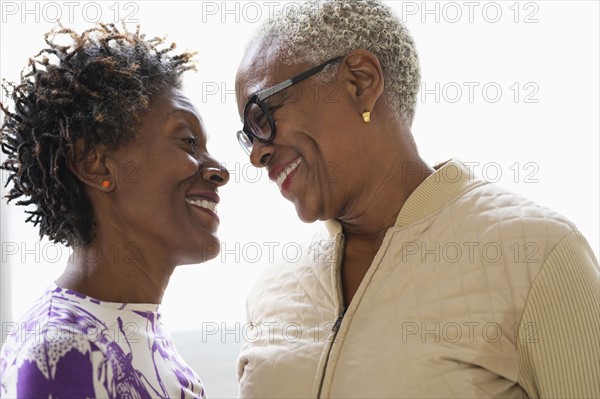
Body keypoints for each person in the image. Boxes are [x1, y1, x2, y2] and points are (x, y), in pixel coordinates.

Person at [234, 1, 599, 397]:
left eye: (262, 115)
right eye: (248, 137)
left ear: (360, 81)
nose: (257, 154)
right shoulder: (270, 294)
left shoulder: (537, 252)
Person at [0, 23, 229, 398]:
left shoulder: (127, 328)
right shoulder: (64, 353)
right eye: (188, 141)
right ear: (97, 164)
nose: (219, 170)